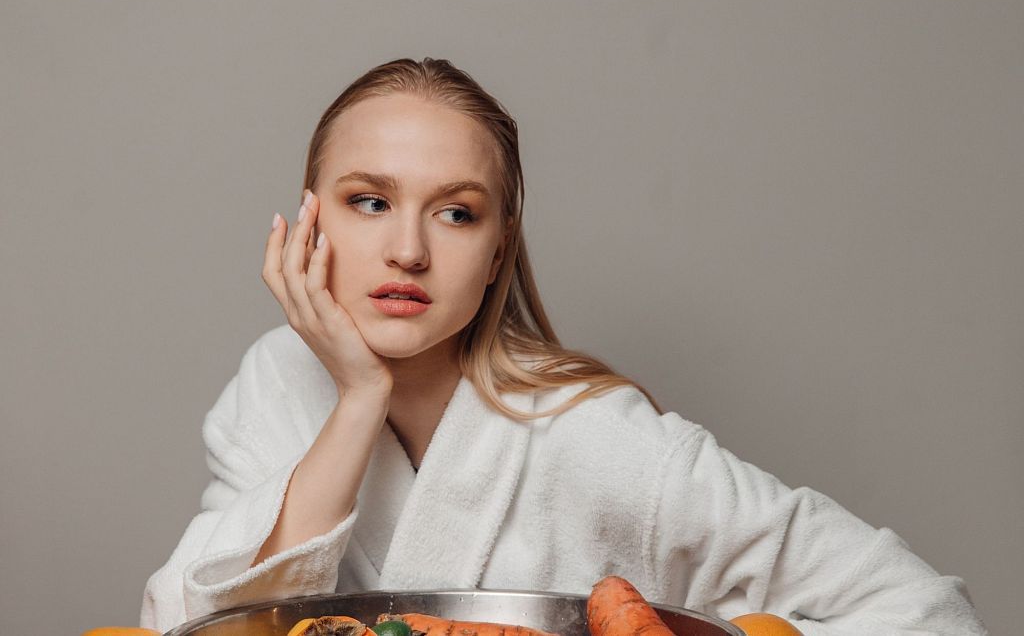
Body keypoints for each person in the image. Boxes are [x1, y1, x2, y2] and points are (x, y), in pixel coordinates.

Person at [140, 57, 986, 635]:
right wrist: (359, 399)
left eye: (457, 213)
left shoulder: (595, 437)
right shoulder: (276, 382)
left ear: (498, 252)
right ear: (311, 218)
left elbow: (925, 612)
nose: (408, 250)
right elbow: (188, 622)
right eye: (370, 201)